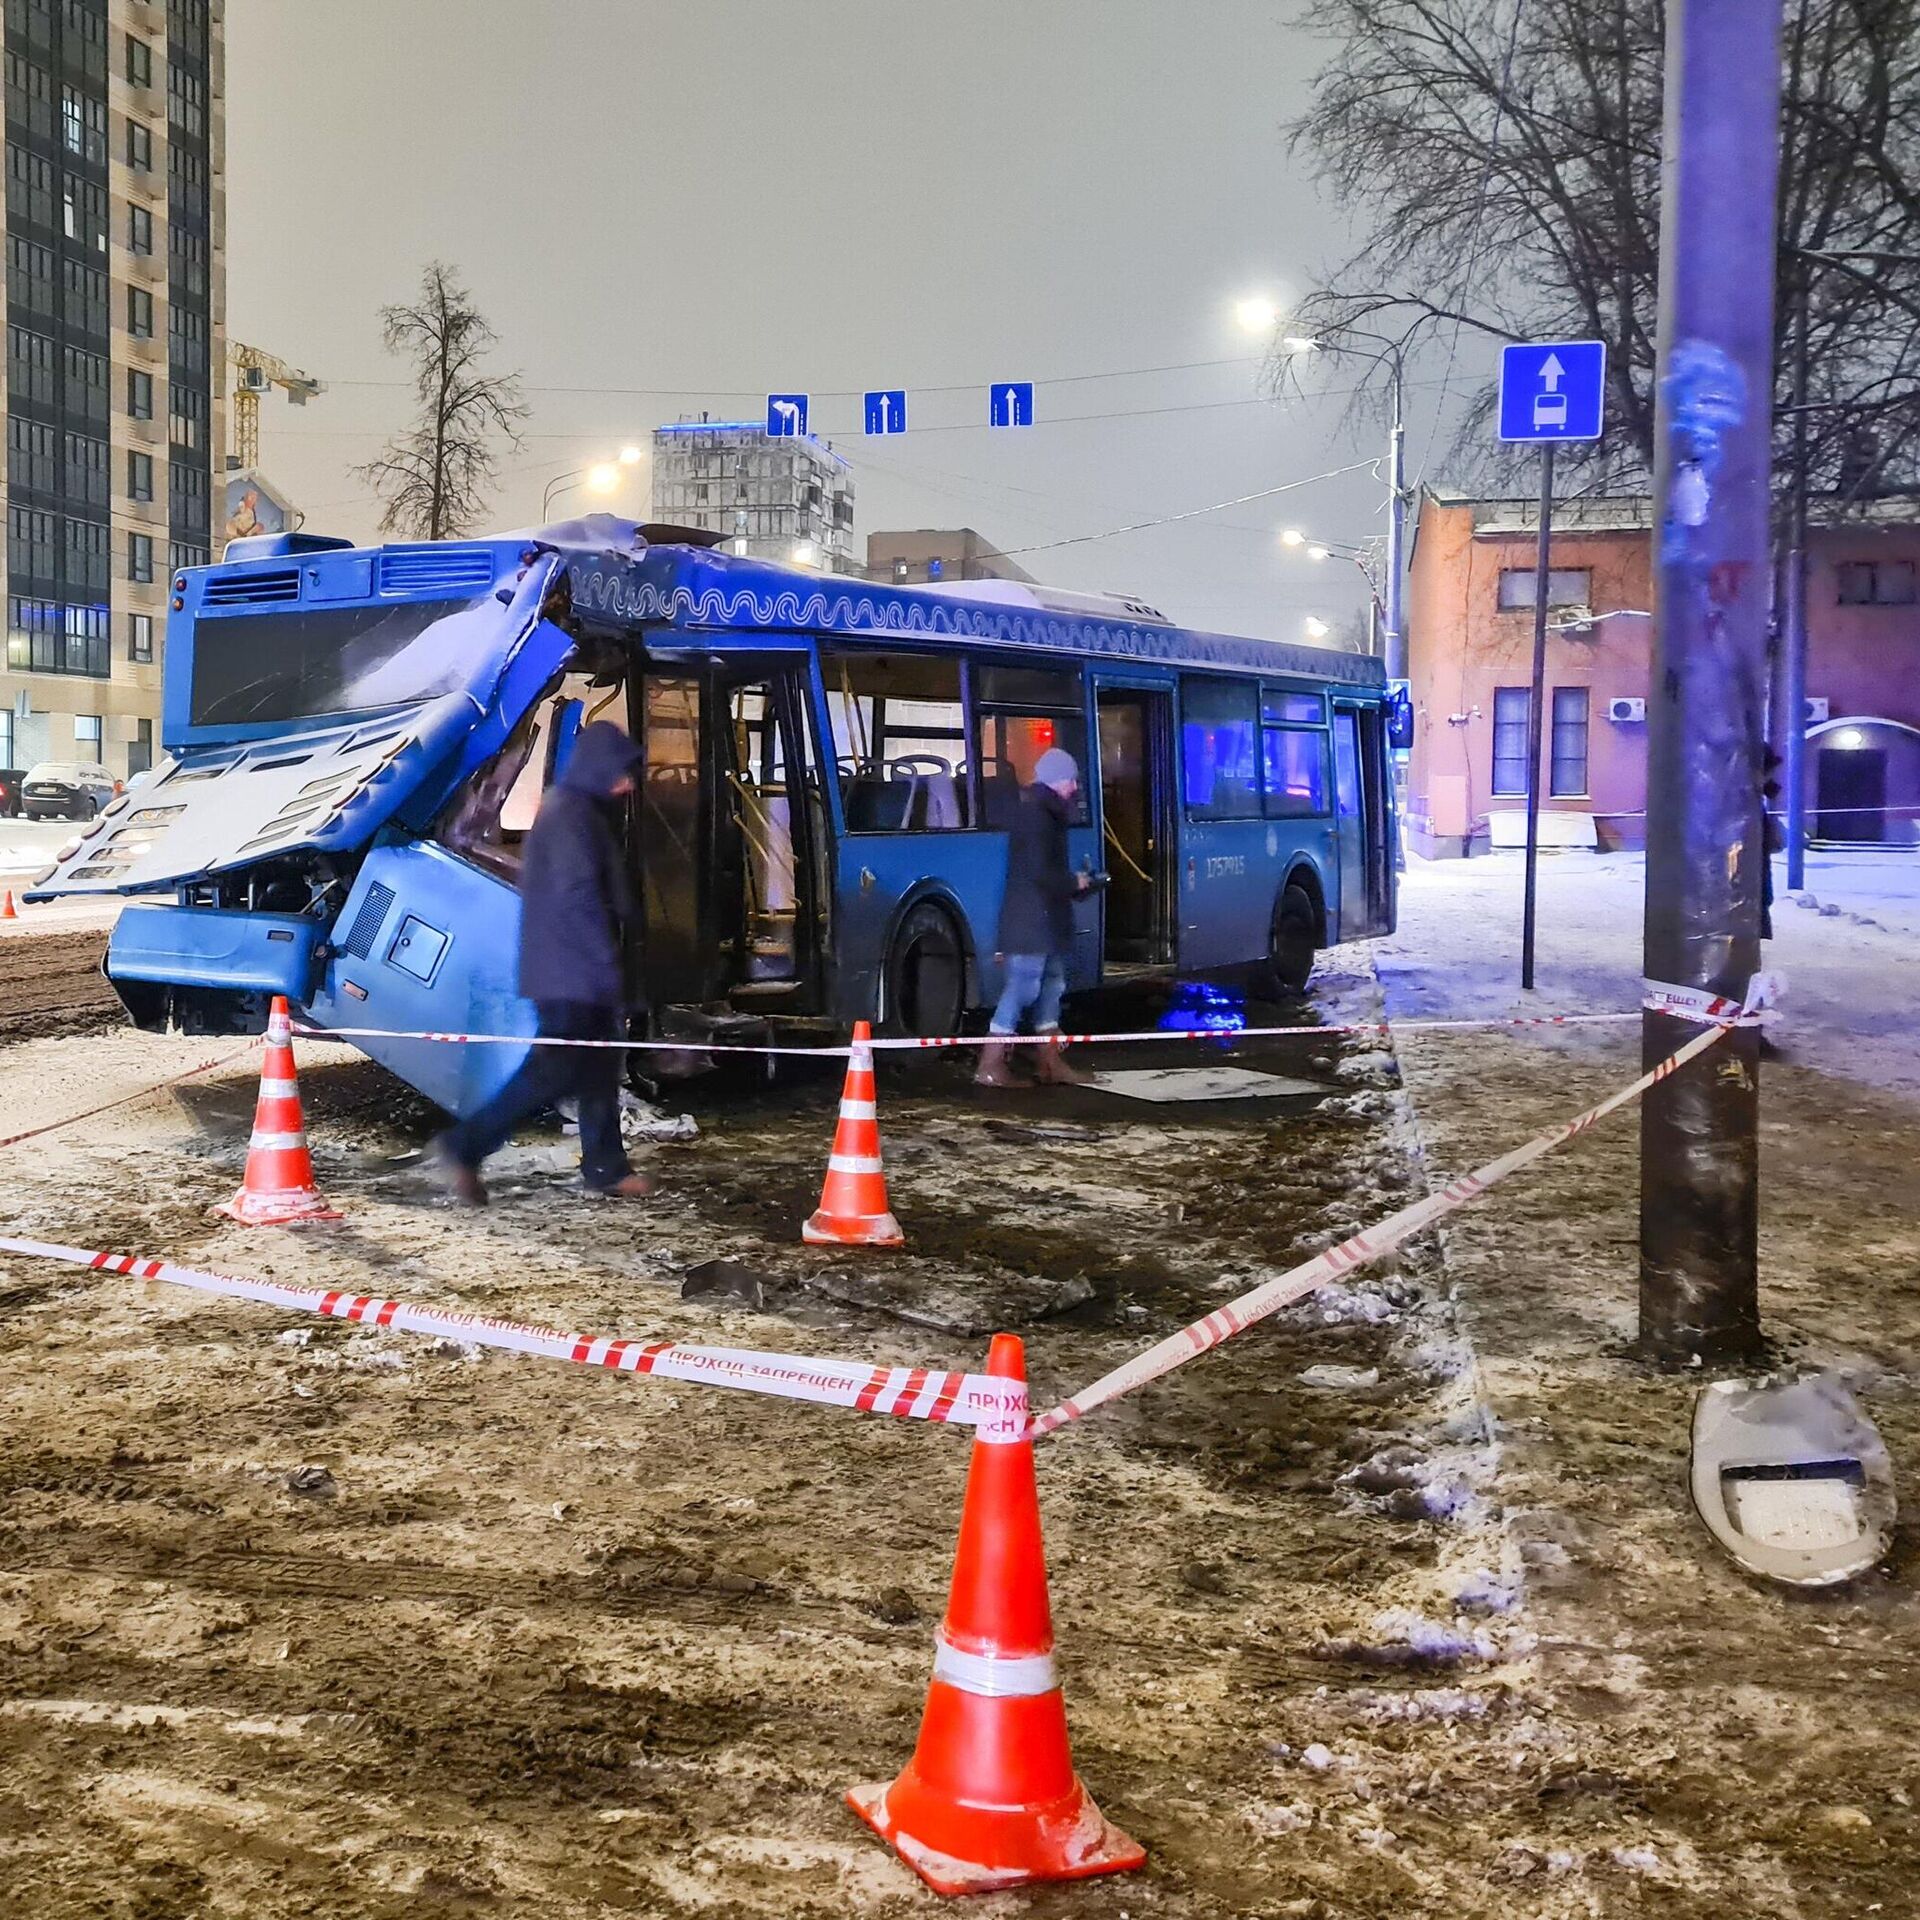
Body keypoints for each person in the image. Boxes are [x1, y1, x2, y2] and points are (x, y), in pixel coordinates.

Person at [433, 721, 654, 1204]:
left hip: (570, 970)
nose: (629, 784)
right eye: (622, 772)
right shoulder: (572, 815)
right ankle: (465, 1145)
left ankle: (606, 1168)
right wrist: (605, 973)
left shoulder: (578, 810)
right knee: (551, 1073)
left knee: (597, 1071)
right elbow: (580, 903)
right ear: (598, 767)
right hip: (572, 975)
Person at [975, 745, 1093, 1088]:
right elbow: (1041, 872)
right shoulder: (1039, 816)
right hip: (1032, 924)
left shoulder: (1043, 811)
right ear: (1058, 781)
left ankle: (1050, 1063)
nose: (1074, 788)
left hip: (1043, 922)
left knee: (1053, 984)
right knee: (1022, 989)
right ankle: (991, 1065)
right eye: (1070, 781)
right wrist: (1076, 881)